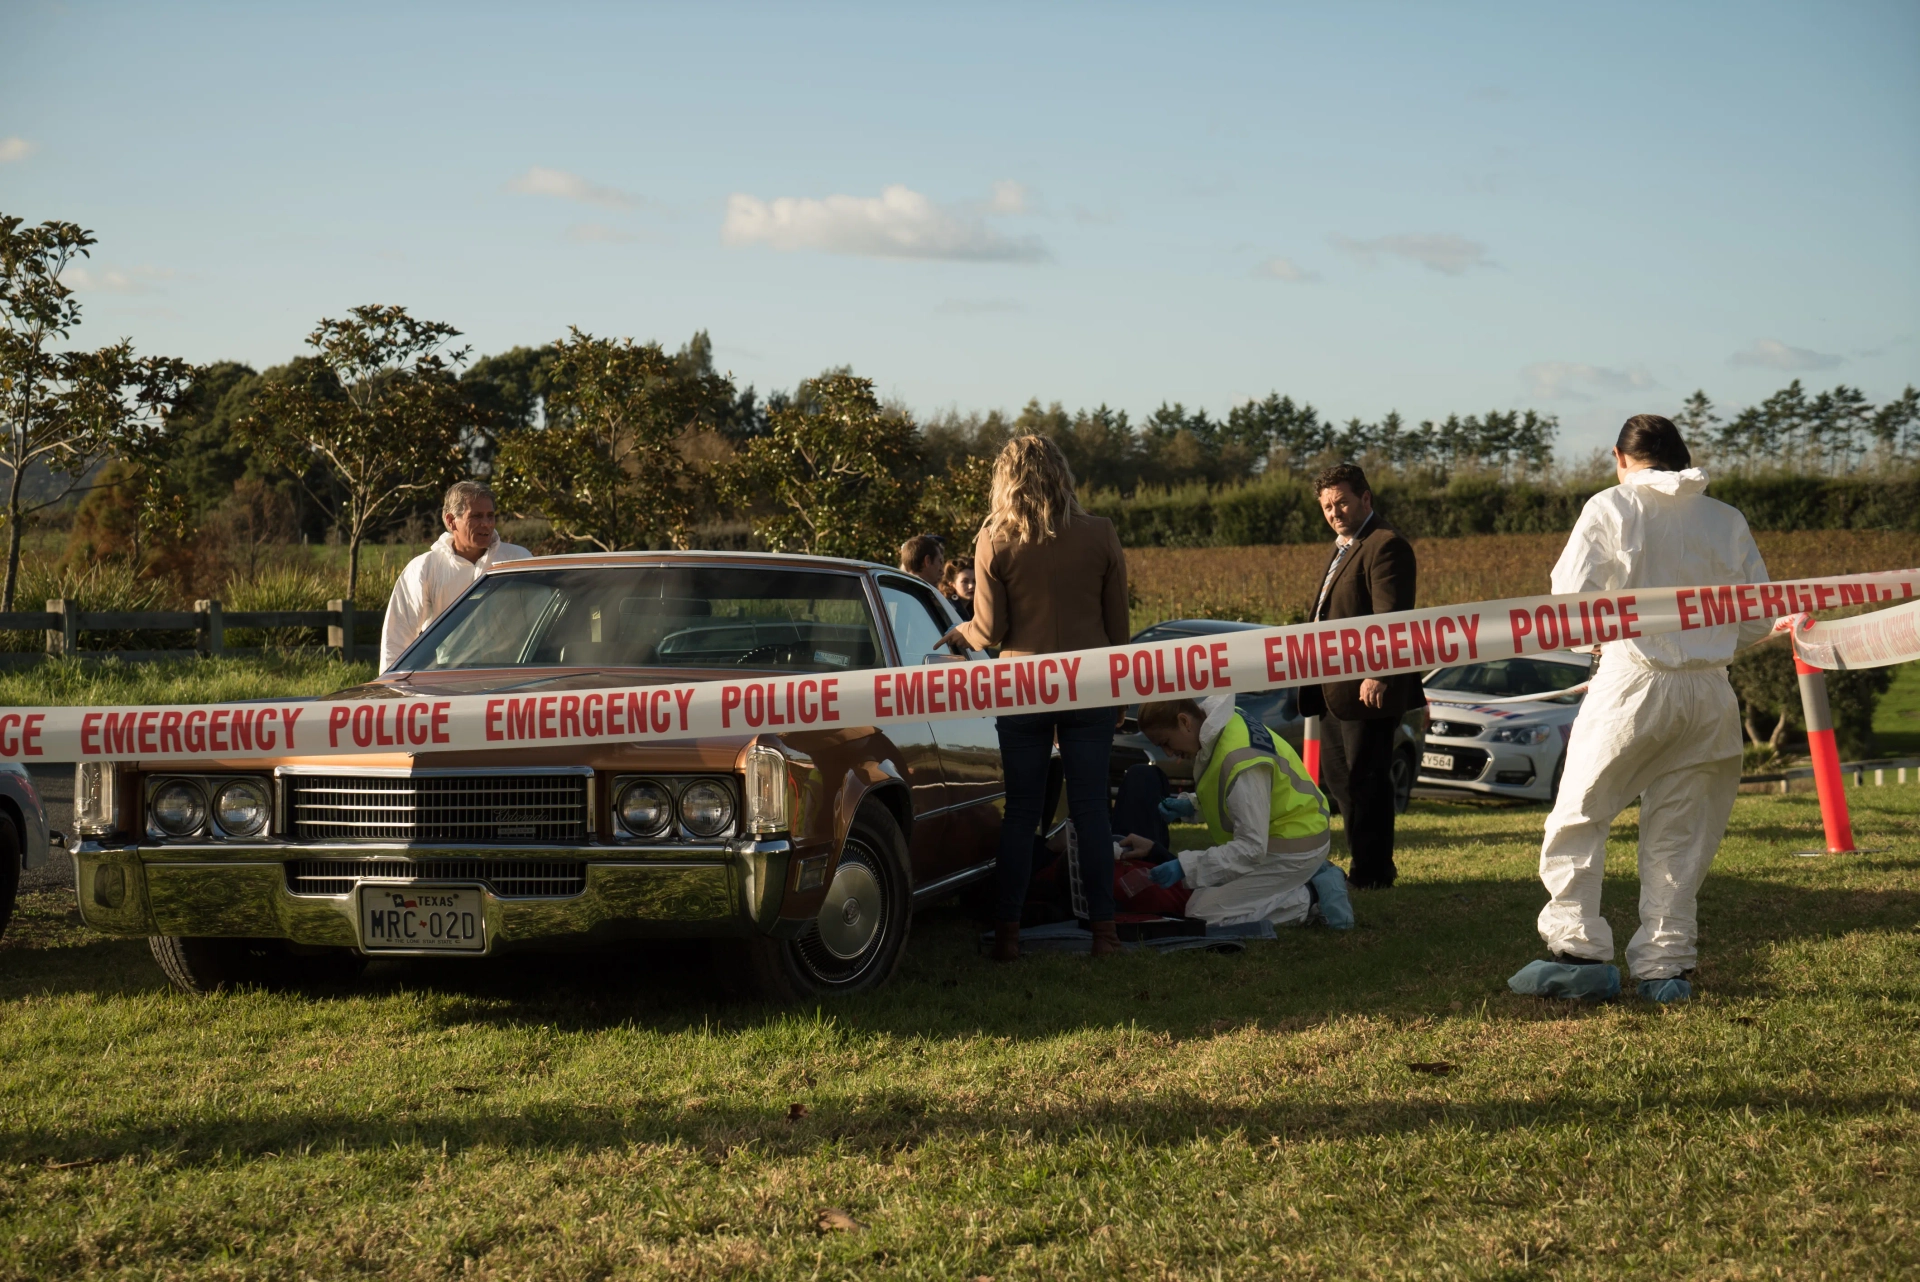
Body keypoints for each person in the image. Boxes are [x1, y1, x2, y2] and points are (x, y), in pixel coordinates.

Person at [1511, 414, 1769, 1005]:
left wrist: (1604, 639)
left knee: (1581, 813)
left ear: (1619, 456)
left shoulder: (1610, 507)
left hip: (1633, 684)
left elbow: (1569, 607)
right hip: (1709, 692)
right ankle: (1665, 967)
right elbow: (1756, 617)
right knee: (1682, 833)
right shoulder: (1726, 519)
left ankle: (1577, 952)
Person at [943, 435, 1130, 960]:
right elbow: (1119, 627)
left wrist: (965, 636)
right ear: (1063, 474)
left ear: (1006, 480)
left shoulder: (993, 540)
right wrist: (1122, 692)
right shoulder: (1100, 533)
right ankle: (1105, 934)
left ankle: (1007, 935)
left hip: (1022, 684)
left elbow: (992, 627)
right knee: (1093, 810)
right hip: (1091, 681)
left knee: (1022, 812)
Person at [1128, 695, 1353, 929]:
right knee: (1203, 892)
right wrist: (1194, 805)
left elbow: (1249, 849)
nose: (1169, 753)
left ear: (1185, 722)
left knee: (1204, 916)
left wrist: (1186, 866)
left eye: (1166, 742)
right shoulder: (1225, 724)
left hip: (1290, 848)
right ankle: (1308, 879)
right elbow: (1241, 796)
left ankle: (1311, 894)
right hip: (1292, 834)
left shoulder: (1239, 757)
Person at [1299, 463, 1421, 888]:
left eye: (1342, 503)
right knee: (1341, 780)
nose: (1334, 513)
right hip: (1333, 689)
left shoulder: (1385, 545)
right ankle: (1362, 867)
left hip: (1368, 688)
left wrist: (1379, 674)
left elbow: (1393, 618)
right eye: (1327, 507)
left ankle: (1373, 873)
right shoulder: (1343, 547)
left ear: (1366, 498)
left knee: (1366, 779)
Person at [378, 481, 531, 671]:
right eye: (476, 516)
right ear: (451, 521)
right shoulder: (425, 568)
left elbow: (541, 616)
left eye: (490, 515)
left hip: (511, 676)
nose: (486, 523)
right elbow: (398, 633)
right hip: (448, 680)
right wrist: (392, 687)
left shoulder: (517, 560)